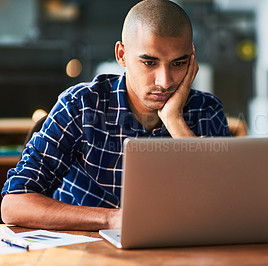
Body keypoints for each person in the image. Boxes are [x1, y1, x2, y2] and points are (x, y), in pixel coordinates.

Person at [1, 0, 230, 231]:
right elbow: (14, 204)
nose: (165, 82)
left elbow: (225, 206)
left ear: (192, 59)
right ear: (121, 55)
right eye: (149, 62)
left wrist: (174, 120)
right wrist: (112, 219)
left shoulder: (206, 112)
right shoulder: (81, 105)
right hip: (85, 252)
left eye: (178, 63)